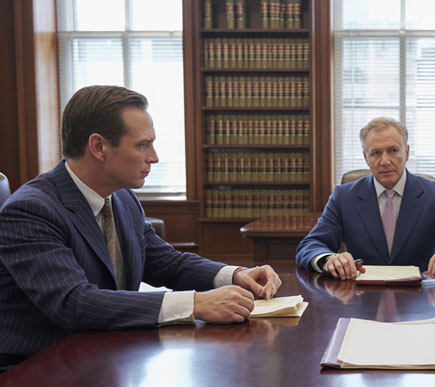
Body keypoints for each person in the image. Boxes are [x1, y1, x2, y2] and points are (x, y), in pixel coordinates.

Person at [0, 85, 282, 370]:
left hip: (105, 360)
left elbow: (166, 263)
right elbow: (74, 303)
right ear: (98, 146)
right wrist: (195, 304)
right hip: (37, 374)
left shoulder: (122, 197)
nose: (154, 157)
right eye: (142, 145)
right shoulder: (31, 210)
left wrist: (234, 275)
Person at [296, 117, 435, 279]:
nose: (385, 161)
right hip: (361, 298)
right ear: (366, 158)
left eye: (393, 150)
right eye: (376, 153)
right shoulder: (344, 196)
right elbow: (310, 246)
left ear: (406, 152)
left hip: (419, 298)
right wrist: (329, 259)